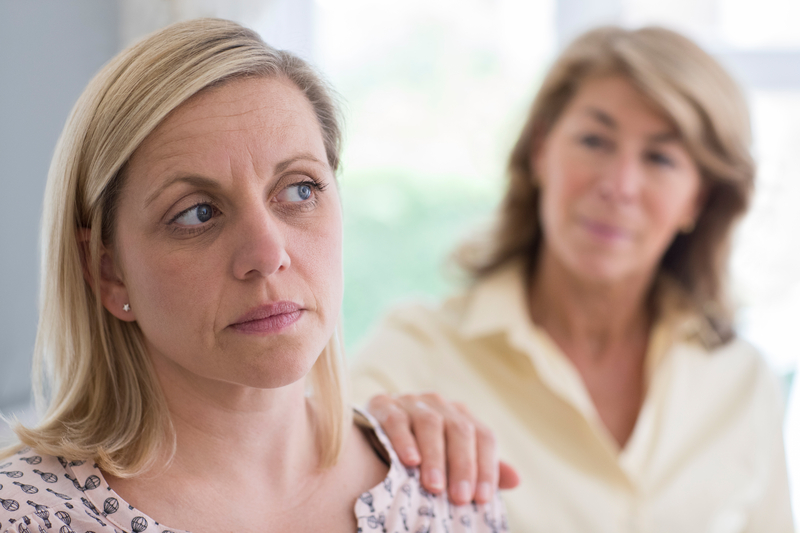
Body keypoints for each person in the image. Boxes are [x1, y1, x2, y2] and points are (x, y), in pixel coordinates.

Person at [0, 19, 507, 533]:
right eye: (197, 212)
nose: (267, 254)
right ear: (108, 271)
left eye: (300, 190)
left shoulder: (444, 496)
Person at [351, 26, 794, 532]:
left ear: (699, 198)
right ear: (541, 150)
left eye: (660, 158)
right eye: (594, 140)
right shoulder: (414, 354)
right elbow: (301, 483)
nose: (618, 185)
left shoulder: (741, 380)